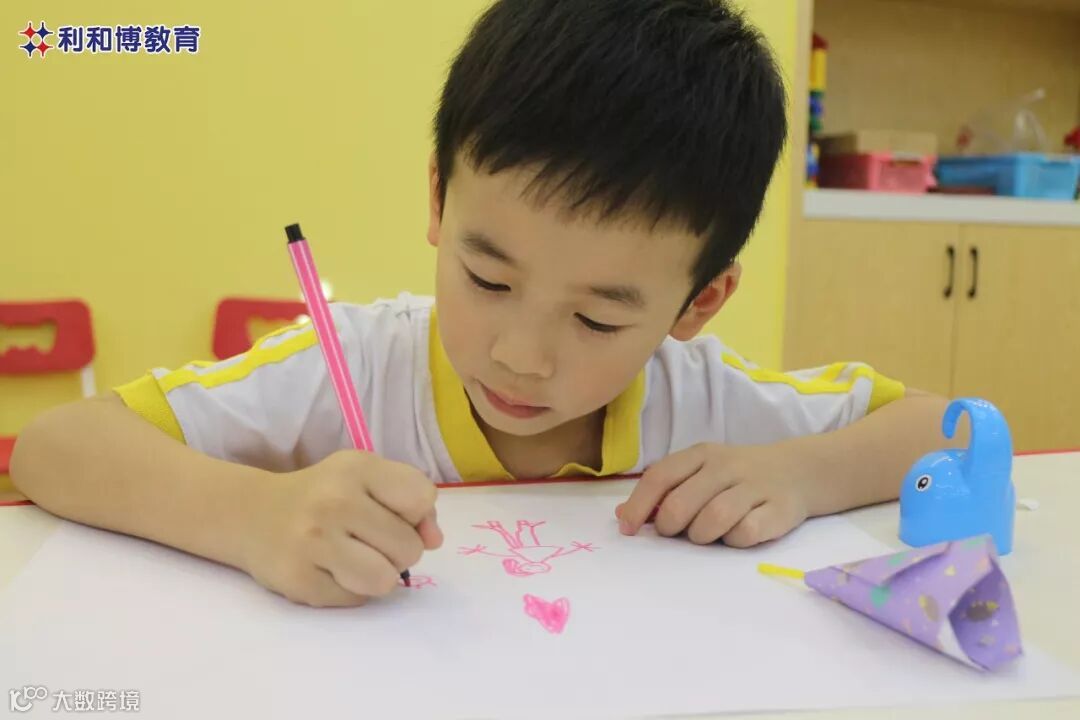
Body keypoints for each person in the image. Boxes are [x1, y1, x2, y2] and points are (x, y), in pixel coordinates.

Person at [11, 0, 961, 608]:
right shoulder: (353, 365)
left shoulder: (705, 402)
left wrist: (801, 475)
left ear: (699, 300)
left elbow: (952, 432)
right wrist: (254, 517)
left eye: (597, 320)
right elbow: (56, 449)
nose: (520, 356)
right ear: (438, 200)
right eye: (489, 279)